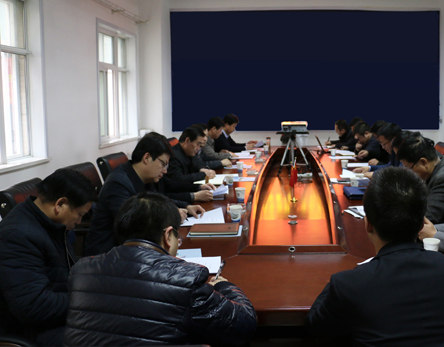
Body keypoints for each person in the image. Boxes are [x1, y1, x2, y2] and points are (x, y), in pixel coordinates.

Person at [305, 167, 444, 346]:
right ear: (421, 225)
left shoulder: (348, 284)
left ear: (368, 224)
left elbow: (316, 327)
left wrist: (338, 283)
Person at [65, 192, 257, 346]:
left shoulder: (81, 270)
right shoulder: (186, 278)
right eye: (177, 238)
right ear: (167, 235)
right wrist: (224, 286)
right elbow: (244, 324)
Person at [0, 169, 97, 346]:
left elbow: (62, 270)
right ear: (60, 204)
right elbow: (33, 307)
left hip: (57, 315)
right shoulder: (17, 235)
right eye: (80, 215)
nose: (78, 222)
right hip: (31, 329)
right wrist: (87, 299)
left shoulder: (49, 224)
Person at [85, 133, 205, 256]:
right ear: (146, 158)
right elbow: (132, 225)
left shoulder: (145, 178)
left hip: (134, 250)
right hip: (108, 255)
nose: (165, 170)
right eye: (163, 164)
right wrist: (172, 215)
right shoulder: (118, 184)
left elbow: (159, 200)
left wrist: (186, 206)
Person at [396, 131, 444, 224]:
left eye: (409, 168)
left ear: (423, 162)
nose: (409, 173)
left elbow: (426, 219)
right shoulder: (438, 164)